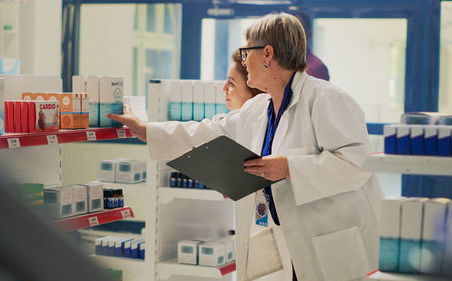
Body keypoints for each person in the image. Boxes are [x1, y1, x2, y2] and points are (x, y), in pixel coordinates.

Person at [108, 12, 382, 281]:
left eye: (245, 53)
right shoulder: (258, 108)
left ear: (267, 54)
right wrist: (146, 129)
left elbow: (357, 164)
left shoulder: (326, 99)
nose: (243, 61)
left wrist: (290, 167)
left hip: (326, 244)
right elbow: (210, 131)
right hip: (281, 242)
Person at [292, 11, 330, 81]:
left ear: (308, 34)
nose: (291, 35)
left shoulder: (317, 68)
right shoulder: (274, 64)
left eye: (297, 30)